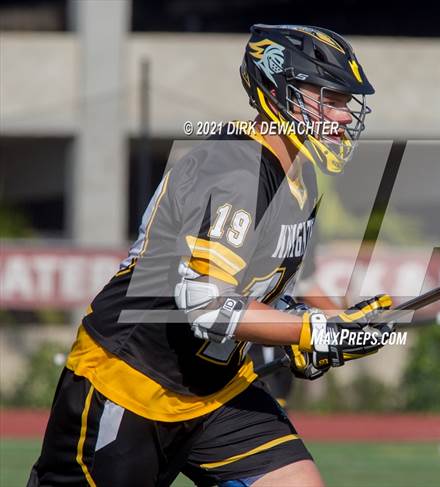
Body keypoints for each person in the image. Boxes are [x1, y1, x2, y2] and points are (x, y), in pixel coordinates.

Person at [29, 24, 392, 487]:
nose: (342, 116)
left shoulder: (299, 178)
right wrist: (311, 330)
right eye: (330, 99)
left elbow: (256, 290)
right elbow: (205, 304)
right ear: (278, 91)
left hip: (216, 391)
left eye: (345, 102)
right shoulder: (235, 171)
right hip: (131, 382)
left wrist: (306, 331)